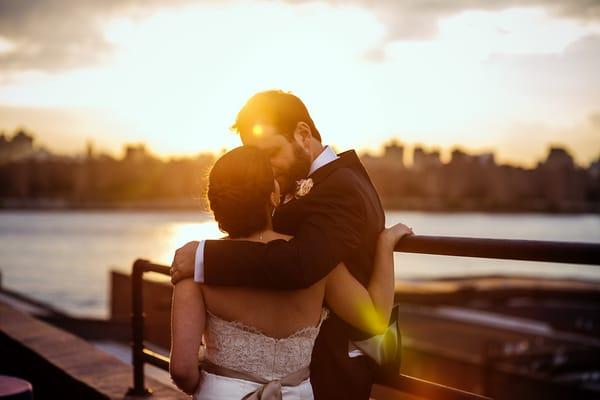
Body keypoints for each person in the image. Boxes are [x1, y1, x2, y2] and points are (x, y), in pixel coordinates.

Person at [171, 90, 407, 399]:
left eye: (269, 153)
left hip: (331, 375)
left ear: (302, 133)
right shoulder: (319, 180)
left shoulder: (341, 188)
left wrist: (203, 255)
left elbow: (299, 263)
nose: (266, 168)